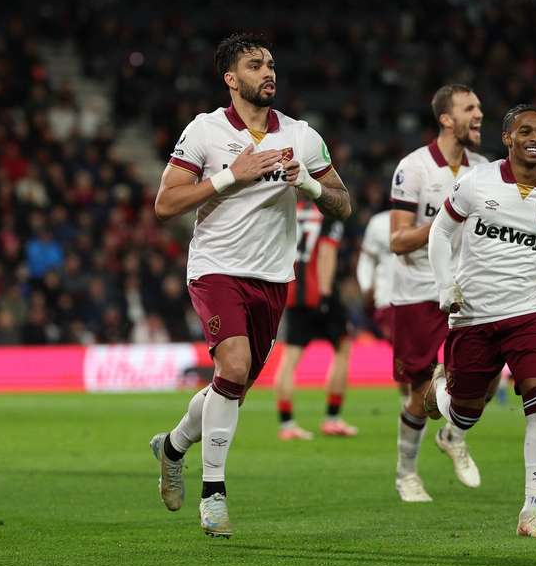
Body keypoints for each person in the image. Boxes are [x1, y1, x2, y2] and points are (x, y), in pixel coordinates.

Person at [148, 33, 351, 539]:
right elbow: (166, 204)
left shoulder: (302, 136)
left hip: (272, 278)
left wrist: (306, 183)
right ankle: (213, 494)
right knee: (233, 365)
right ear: (231, 80)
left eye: (271, 64)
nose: (268, 72)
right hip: (216, 269)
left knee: (231, 387)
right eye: (255, 65)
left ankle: (173, 447)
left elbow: (342, 202)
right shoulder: (205, 131)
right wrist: (228, 177)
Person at [427, 104, 536, 538]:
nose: (535, 137)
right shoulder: (477, 183)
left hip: (527, 316)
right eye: (525, 131)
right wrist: (446, 286)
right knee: (464, 413)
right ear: (508, 139)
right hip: (473, 317)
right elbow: (440, 232)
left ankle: (530, 514)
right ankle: (444, 402)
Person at [389, 84, 486, 502]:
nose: (479, 114)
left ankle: (451, 433)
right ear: (447, 119)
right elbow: (396, 239)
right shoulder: (414, 169)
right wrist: (444, 222)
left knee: (479, 382)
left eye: (479, 106)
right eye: (470, 108)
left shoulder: (482, 169)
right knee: (420, 392)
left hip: (466, 292)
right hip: (418, 293)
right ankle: (406, 474)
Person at [273, 197, 357, 440]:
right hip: (319, 291)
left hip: (291, 290)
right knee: (342, 349)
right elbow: (327, 254)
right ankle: (332, 418)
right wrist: (325, 295)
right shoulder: (330, 214)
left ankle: (287, 425)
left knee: (290, 358)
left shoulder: (288, 210)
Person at [356, 209, 399, 398]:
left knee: (411, 357)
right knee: (404, 355)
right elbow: (366, 259)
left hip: (424, 296)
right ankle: (410, 405)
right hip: (386, 299)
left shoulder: (428, 215)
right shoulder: (378, 222)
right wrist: (366, 287)